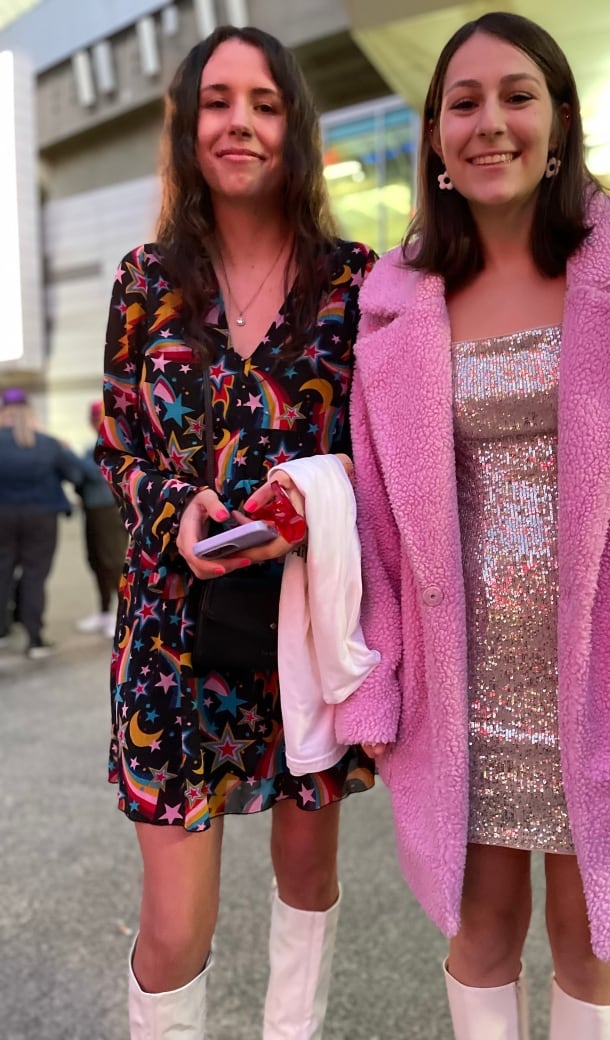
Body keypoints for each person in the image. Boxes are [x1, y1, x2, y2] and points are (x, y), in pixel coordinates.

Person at [335, 12, 610, 1040]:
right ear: (436, 140)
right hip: (466, 676)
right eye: (463, 102)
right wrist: (381, 671)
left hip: (605, 672)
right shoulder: (396, 302)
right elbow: (382, 522)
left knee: (592, 934)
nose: (491, 122)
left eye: (517, 96)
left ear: (561, 119)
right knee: (481, 923)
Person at [95, 25, 375, 1040]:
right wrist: (176, 512)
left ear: (293, 126)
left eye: (264, 102)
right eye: (218, 101)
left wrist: (308, 503)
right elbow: (118, 443)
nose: (240, 123)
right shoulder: (144, 279)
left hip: (300, 625)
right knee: (175, 921)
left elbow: (386, 458)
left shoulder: (354, 282)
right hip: (172, 639)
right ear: (188, 123)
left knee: (307, 874)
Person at [0, 387, 82, 658]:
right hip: (42, 517)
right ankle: (34, 640)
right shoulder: (47, 443)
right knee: (35, 575)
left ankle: (2, 633)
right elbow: (76, 475)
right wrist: (65, 448)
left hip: (3, 515)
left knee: (2, 573)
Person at [73, 401, 128, 636]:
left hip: (109, 509)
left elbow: (96, 473)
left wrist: (66, 455)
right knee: (96, 561)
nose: (94, 422)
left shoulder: (115, 443)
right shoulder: (91, 446)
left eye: (98, 417)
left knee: (113, 562)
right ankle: (105, 612)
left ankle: (121, 615)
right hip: (93, 509)